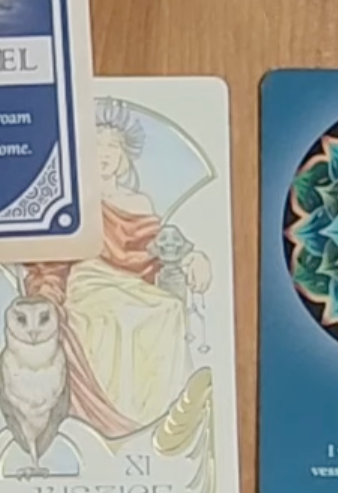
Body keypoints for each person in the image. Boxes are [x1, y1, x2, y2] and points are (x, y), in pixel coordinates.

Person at [18, 108, 212, 441]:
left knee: (168, 309)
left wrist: (192, 256)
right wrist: (48, 292)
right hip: (87, 281)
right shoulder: (71, 201)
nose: (105, 155)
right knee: (112, 318)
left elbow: (159, 250)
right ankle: (117, 413)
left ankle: (155, 414)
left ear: (123, 157)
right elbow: (52, 259)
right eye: (97, 147)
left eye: (112, 147)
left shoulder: (138, 202)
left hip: (131, 285)